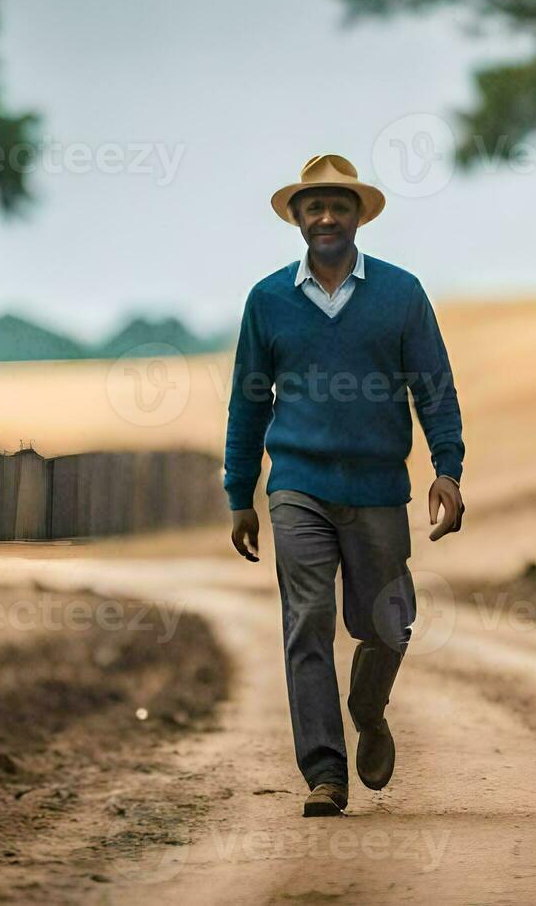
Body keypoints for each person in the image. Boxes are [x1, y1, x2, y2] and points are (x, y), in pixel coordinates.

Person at [224, 154, 465, 817]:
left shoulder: (402, 294)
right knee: (308, 622)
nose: (326, 216)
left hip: (380, 485)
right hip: (296, 483)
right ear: (298, 218)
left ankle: (368, 706)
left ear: (358, 216)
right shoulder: (267, 300)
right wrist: (240, 493)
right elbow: (248, 404)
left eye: (338, 206)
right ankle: (325, 775)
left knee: (389, 623)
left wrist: (448, 468)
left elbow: (434, 388)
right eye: (314, 207)